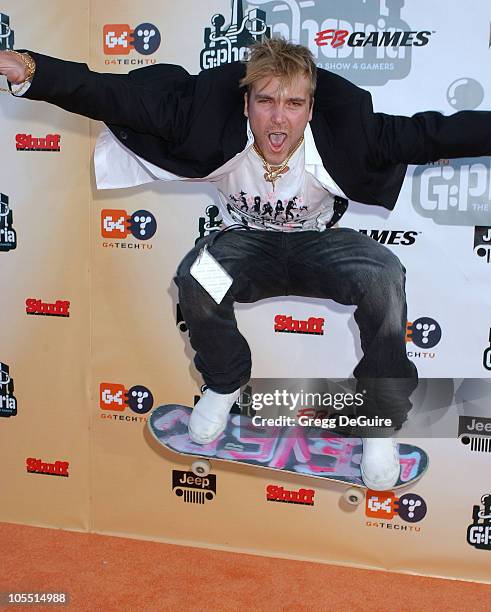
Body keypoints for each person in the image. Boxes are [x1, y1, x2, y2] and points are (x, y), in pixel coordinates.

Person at [2, 38, 490, 490]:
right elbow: (108, 94)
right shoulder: (199, 120)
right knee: (198, 273)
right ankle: (224, 383)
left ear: (311, 108)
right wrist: (29, 68)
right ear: (246, 103)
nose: (279, 121)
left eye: (294, 104)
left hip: (321, 246)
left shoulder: (353, 134)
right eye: (266, 102)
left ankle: (380, 419)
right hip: (248, 247)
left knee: (382, 274)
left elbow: (435, 134)